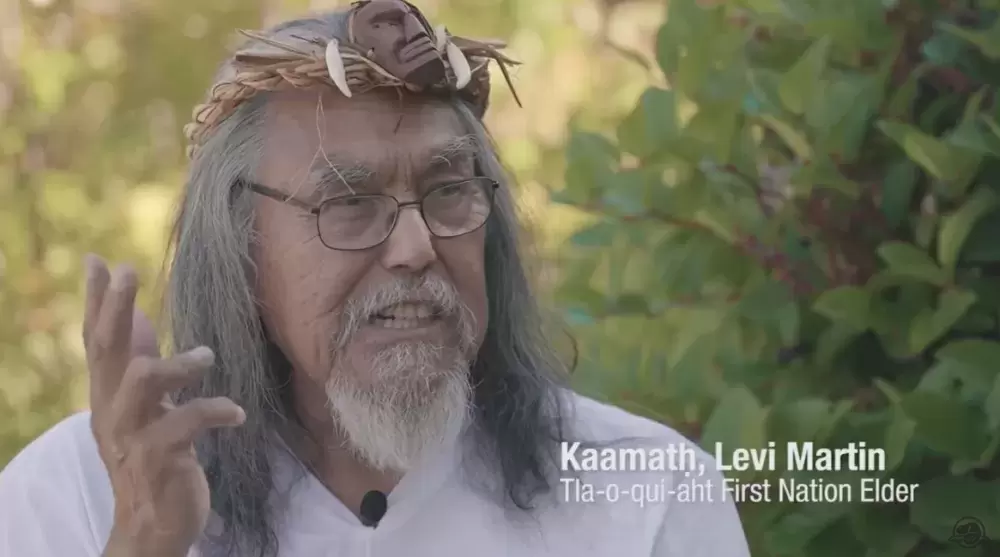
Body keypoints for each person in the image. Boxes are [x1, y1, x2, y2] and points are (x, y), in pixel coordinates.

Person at [0, 2, 751, 556]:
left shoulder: (646, 496)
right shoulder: (78, 489)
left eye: (449, 189)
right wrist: (143, 542)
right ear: (240, 250)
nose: (417, 246)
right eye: (348, 203)